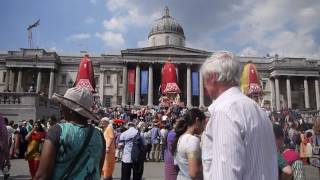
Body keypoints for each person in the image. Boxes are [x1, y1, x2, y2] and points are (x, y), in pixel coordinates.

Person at [200, 52, 278, 180]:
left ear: (213, 77)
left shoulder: (225, 111)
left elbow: (225, 174)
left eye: (204, 79)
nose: (204, 86)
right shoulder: (259, 111)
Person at [35, 87, 105, 180]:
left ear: (71, 109)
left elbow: (42, 176)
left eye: (63, 104)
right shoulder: (99, 135)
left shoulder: (58, 130)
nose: (61, 107)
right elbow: (98, 170)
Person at [172, 108, 205, 180]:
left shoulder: (180, 138)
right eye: (203, 123)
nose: (204, 127)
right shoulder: (192, 140)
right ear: (197, 121)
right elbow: (193, 173)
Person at [0, 114, 10, 179]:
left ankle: (5, 173)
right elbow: (5, 138)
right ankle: (5, 173)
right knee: (4, 160)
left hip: (1, 145)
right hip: (3, 146)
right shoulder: (4, 128)